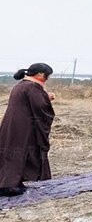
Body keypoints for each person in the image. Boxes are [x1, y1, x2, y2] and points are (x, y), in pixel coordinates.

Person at [0, 63, 56, 196]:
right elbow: (40, 106)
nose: (47, 78)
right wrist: (47, 98)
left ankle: (14, 182)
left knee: (13, 152)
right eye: (47, 75)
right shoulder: (32, 87)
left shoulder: (21, 85)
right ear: (40, 74)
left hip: (14, 124)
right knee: (17, 152)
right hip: (22, 125)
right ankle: (9, 186)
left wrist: (44, 96)